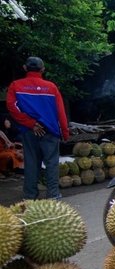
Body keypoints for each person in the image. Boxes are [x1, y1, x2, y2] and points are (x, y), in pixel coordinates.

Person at [6, 57, 68, 200]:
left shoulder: (16, 85)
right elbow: (60, 111)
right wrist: (64, 132)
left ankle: (30, 196)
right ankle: (53, 195)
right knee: (52, 163)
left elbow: (12, 108)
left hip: (29, 131)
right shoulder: (51, 87)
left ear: (24, 68)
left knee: (32, 163)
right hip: (50, 131)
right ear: (43, 69)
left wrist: (31, 123)